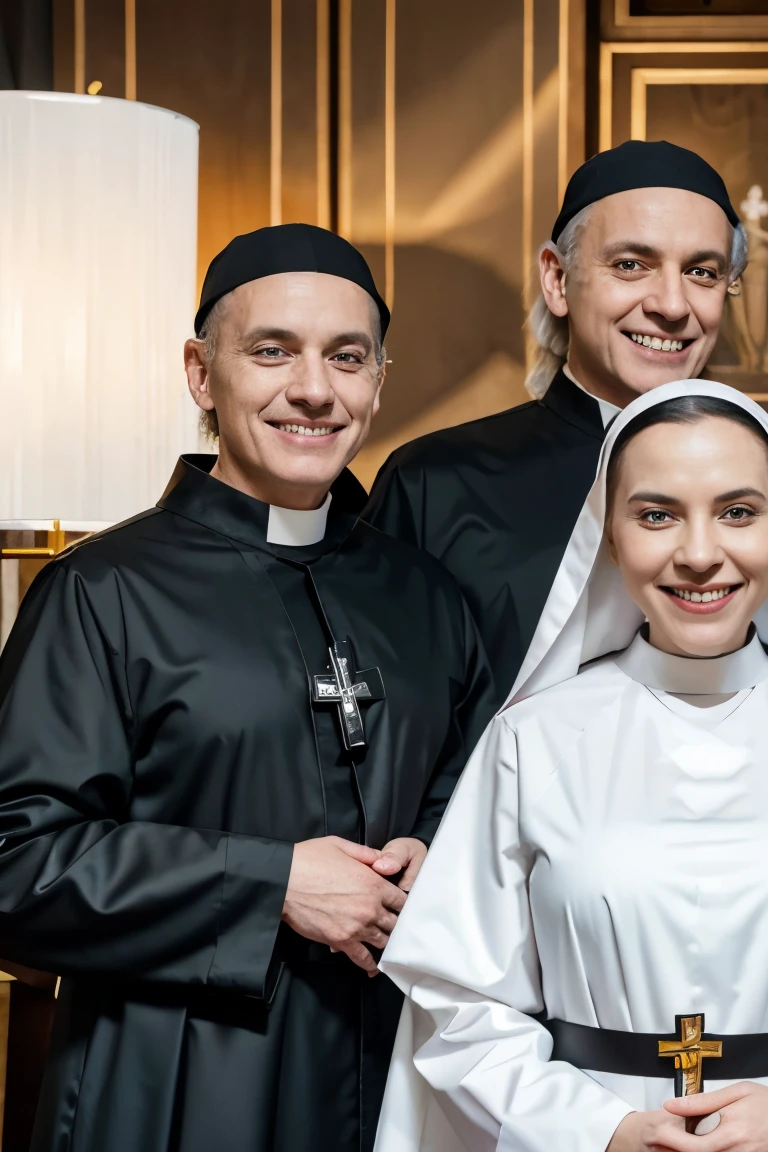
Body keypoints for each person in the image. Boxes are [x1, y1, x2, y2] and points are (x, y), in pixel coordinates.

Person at [374, 381, 768, 1152]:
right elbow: (457, 1006)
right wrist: (598, 1131)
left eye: (738, 513)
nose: (700, 554)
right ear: (608, 537)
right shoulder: (528, 743)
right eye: (656, 514)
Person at [0, 224, 495, 1152]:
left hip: (391, 1080)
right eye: (272, 352)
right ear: (200, 373)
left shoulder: (428, 599)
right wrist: (270, 884)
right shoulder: (101, 593)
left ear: (378, 381)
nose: (314, 389)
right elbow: (17, 866)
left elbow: (477, 797)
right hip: (170, 1087)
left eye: (347, 358)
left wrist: (437, 856)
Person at [364, 141, 745, 707]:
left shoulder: (761, 473)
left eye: (701, 272)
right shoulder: (433, 484)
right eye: (631, 265)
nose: (671, 303)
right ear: (558, 281)